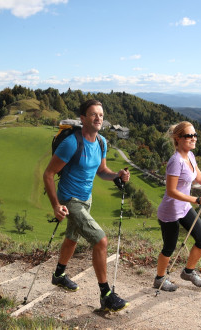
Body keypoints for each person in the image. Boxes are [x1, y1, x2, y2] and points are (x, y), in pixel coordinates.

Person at [43, 99, 130, 312]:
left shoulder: (101, 142)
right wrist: (55, 205)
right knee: (100, 241)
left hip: (86, 199)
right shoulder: (71, 143)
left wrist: (117, 175)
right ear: (83, 119)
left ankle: (59, 275)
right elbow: (48, 174)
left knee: (72, 237)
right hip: (69, 200)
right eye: (93, 114)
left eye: (100, 114)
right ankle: (106, 294)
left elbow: (101, 171)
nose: (98, 118)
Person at [153, 121, 201, 291]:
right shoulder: (176, 161)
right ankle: (159, 279)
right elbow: (171, 191)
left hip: (184, 208)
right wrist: (195, 200)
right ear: (178, 138)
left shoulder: (190, 156)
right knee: (169, 247)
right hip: (170, 211)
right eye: (189, 136)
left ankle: (188, 272)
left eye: (195, 135)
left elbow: (200, 179)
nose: (194, 138)